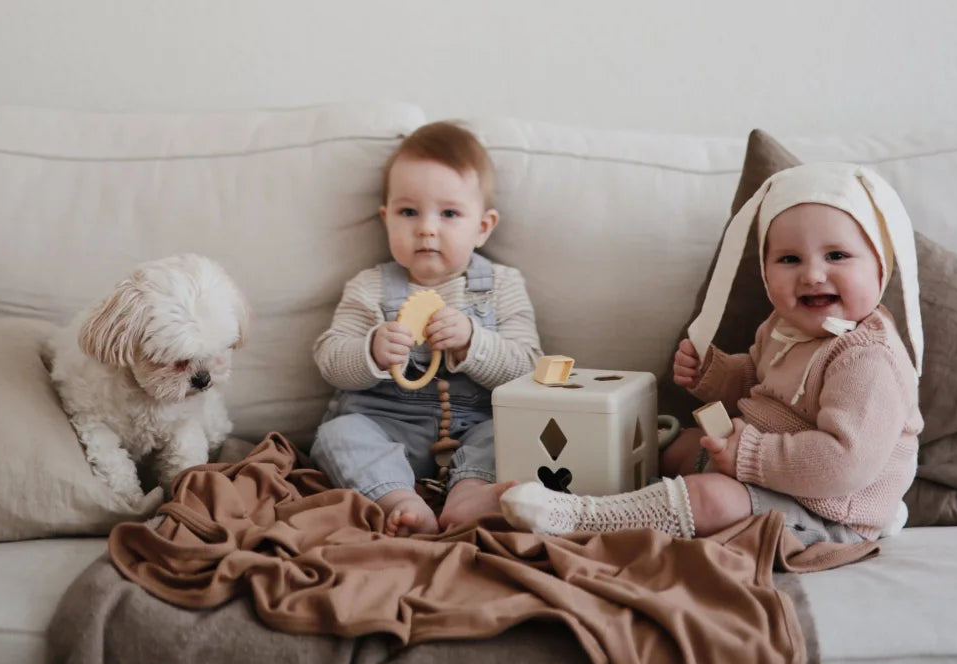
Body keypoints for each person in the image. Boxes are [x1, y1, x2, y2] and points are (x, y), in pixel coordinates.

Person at [501, 162, 924, 546]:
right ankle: (618, 494)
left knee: (710, 498)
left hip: (828, 506)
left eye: (837, 255)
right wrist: (716, 372)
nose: (812, 275)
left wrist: (750, 456)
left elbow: (844, 464)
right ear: (765, 269)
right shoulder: (782, 327)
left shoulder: (867, 360)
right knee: (677, 447)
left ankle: (582, 517)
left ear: (880, 266)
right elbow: (756, 381)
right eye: (789, 259)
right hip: (767, 467)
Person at [311, 121, 541, 535]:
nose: (427, 227)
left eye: (449, 213)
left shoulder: (502, 286)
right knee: (337, 434)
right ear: (386, 218)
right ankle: (399, 498)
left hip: (475, 427)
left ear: (483, 227)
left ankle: (469, 494)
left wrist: (474, 342)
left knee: (509, 433)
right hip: (385, 426)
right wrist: (372, 350)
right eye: (408, 212)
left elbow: (529, 368)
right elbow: (330, 359)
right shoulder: (370, 287)